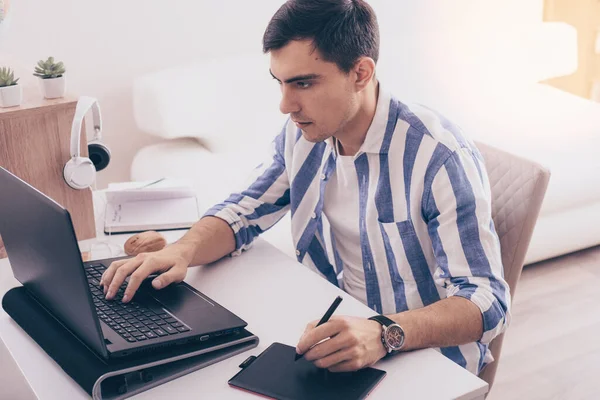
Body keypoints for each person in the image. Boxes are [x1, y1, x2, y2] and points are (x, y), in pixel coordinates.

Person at [101, 0, 510, 376]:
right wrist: (182, 250)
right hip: (334, 338)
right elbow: (244, 210)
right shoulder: (305, 134)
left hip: (424, 361)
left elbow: (487, 303)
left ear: (361, 73)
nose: (285, 104)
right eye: (280, 83)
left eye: (304, 84)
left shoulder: (437, 157)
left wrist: (384, 333)